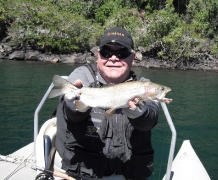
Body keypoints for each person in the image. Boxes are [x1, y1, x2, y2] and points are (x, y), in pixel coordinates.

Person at [55, 27, 159, 180]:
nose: (114, 58)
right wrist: (75, 103)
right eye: (106, 52)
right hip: (84, 174)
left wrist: (139, 114)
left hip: (130, 174)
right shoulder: (81, 76)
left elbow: (150, 119)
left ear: (133, 57)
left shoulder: (144, 85)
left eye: (122, 53)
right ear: (98, 55)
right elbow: (72, 114)